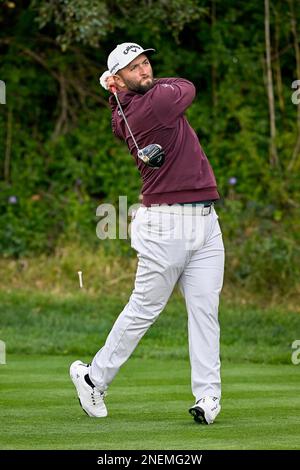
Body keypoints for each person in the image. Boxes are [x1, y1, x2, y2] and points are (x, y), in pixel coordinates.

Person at [70, 42, 225, 425]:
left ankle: (208, 397)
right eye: (134, 68)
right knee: (145, 308)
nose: (145, 70)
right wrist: (138, 87)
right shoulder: (156, 104)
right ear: (118, 79)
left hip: (205, 222)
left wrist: (119, 89)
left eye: (145, 63)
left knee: (204, 312)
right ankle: (93, 377)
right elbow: (187, 85)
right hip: (167, 226)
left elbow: (122, 110)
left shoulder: (125, 107)